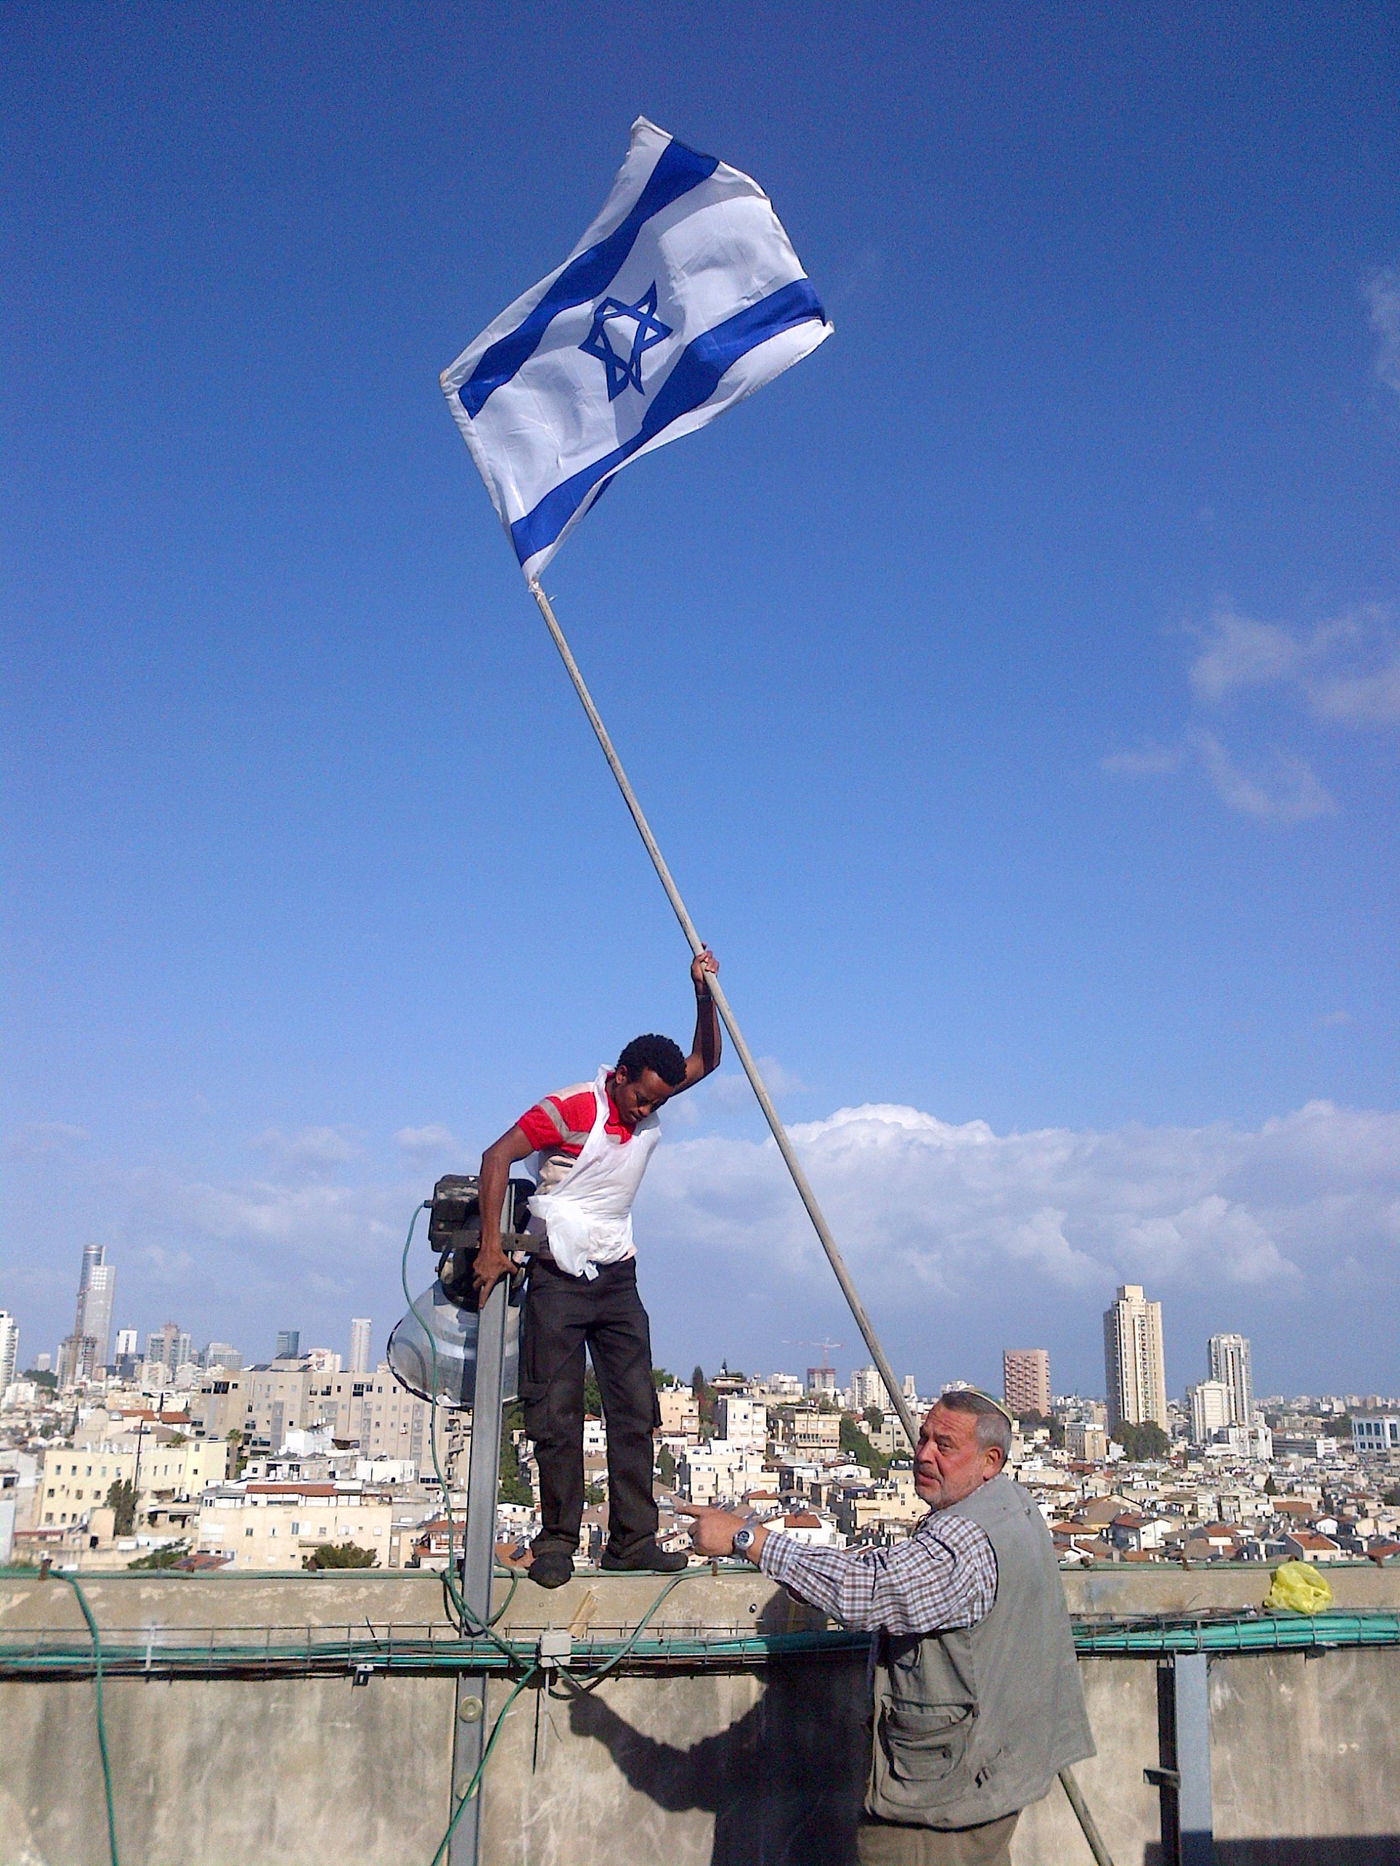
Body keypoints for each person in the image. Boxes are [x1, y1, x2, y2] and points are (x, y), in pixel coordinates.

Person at [683, 1389, 1094, 1865]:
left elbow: (869, 1593)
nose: (924, 1455)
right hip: (992, 1777)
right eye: (923, 1438)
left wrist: (746, 1539)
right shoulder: (1013, 1505)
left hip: (937, 1800)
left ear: (990, 1460)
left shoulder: (965, 1539)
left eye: (945, 1445)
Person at [475, 949, 721, 1589]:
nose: (645, 1112)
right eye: (640, 1098)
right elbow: (497, 1157)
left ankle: (631, 1541)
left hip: (616, 1276)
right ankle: (556, 1539)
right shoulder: (570, 1109)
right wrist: (491, 1247)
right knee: (553, 1414)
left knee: (634, 1410)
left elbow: (708, 1061)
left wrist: (701, 994)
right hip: (557, 1276)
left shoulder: (653, 1092)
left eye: (655, 1103)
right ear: (620, 1076)